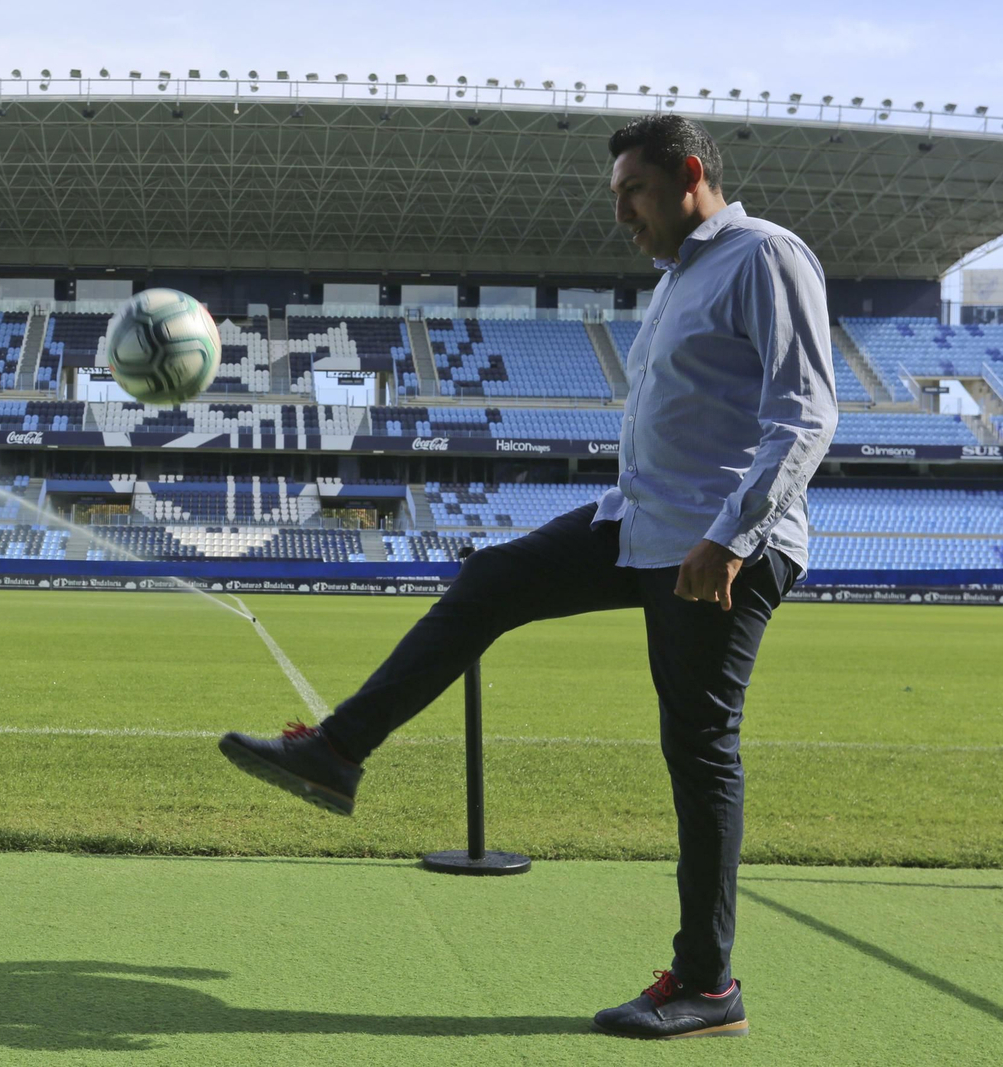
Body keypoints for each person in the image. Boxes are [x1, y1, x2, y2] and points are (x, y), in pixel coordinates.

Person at [218, 114, 837, 1040]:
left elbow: (806, 413)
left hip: (716, 548)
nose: (621, 212)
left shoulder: (762, 256)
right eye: (617, 194)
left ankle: (709, 987)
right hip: (639, 525)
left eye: (633, 190)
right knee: (490, 580)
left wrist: (732, 536)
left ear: (690, 175)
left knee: (700, 751)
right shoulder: (678, 281)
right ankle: (337, 753)